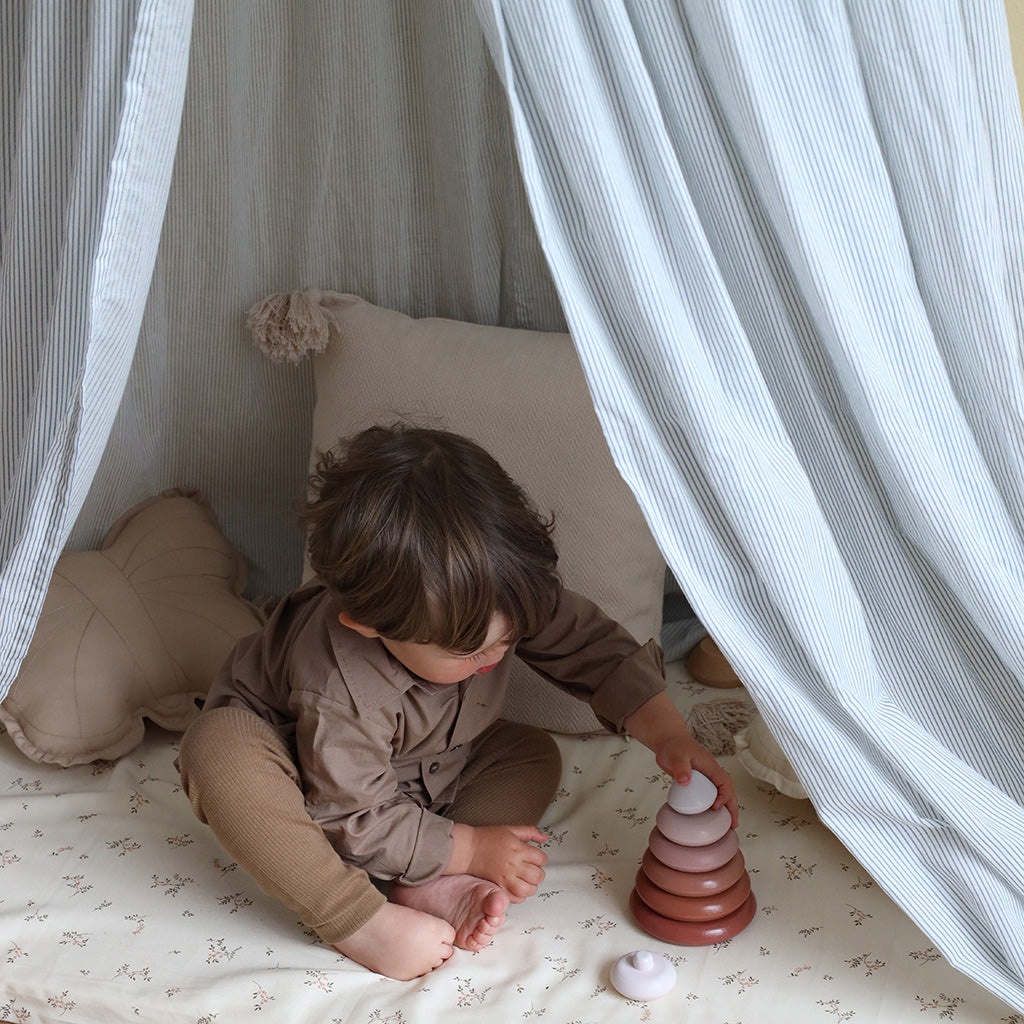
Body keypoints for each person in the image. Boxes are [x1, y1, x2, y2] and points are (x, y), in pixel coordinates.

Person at [178, 424, 736, 981]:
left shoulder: (500, 590)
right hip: (307, 784)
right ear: (372, 627)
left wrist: (669, 735)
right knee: (218, 751)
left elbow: (592, 650)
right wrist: (470, 849)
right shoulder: (341, 684)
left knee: (530, 754)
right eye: (468, 649)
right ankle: (359, 920)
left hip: (416, 771)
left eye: (509, 634)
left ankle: (423, 877)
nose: (496, 651)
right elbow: (349, 814)